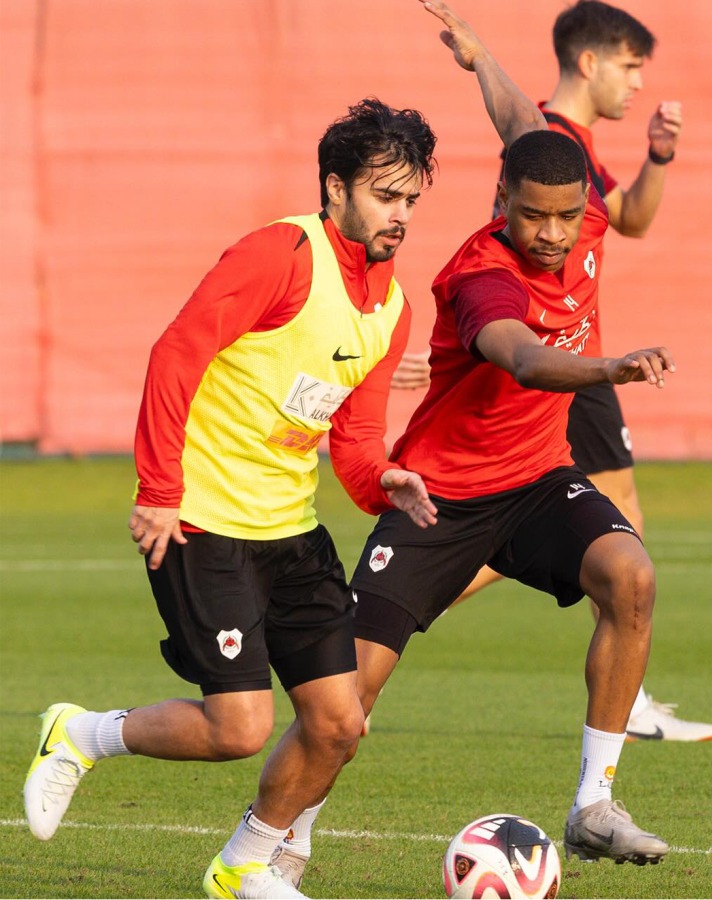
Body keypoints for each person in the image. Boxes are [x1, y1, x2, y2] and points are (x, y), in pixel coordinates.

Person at [22, 93, 452, 900]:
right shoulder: (282, 255)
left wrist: (382, 479)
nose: (400, 216)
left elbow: (354, 439)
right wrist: (158, 490)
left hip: (292, 530)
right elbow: (175, 354)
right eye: (384, 196)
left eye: (410, 201)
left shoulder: (391, 306)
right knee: (240, 728)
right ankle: (79, 734)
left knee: (340, 723)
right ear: (335, 190)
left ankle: (244, 863)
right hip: (204, 524)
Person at [283, 1, 674, 880]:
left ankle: (593, 804)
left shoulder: (580, 210)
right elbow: (525, 360)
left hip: (536, 481)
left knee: (631, 575)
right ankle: (281, 843)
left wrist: (479, 55)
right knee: (346, 701)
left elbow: (520, 123)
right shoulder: (481, 272)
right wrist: (610, 368)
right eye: (532, 215)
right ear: (502, 201)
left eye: (565, 217)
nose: (550, 234)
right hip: (441, 498)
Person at [392, 0, 712, 744]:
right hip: (556, 361)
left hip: (575, 356)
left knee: (601, 531)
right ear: (591, 62)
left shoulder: (577, 150)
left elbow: (631, 219)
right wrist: (481, 60)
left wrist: (658, 155)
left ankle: (415, 593)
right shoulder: (548, 149)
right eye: (631, 66)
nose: (638, 84)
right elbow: (513, 113)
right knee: (602, 528)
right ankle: (418, 594)